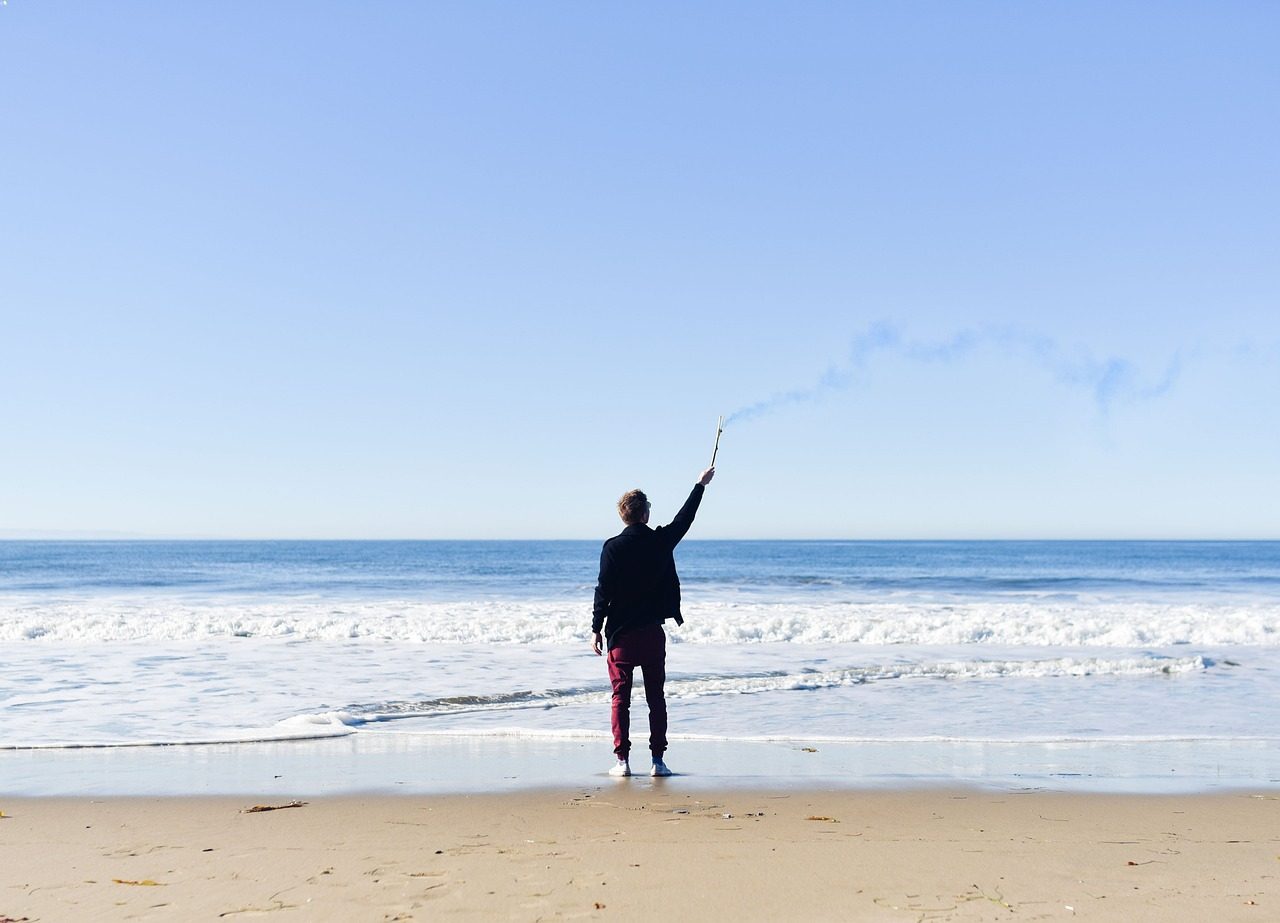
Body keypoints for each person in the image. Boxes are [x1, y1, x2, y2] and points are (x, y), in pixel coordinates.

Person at [591, 466, 715, 777]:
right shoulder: (660, 542)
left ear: (623, 516)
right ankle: (657, 762)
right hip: (650, 634)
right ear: (645, 514)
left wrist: (595, 628)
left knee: (621, 698)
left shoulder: (612, 547)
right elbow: (684, 520)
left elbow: (603, 590)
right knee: (655, 697)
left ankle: (622, 761)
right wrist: (699, 485)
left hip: (620, 636)